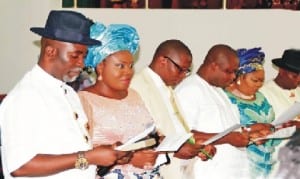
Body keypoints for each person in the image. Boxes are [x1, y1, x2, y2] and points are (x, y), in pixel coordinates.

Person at [0, 10, 128, 179]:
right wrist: (89, 157)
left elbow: (70, 154)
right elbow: (20, 166)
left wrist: (107, 156)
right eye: (75, 55)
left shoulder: (68, 93)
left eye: (84, 55)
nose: (82, 63)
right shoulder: (26, 97)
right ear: (50, 52)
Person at [174, 44, 273, 178]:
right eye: (229, 71)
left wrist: (250, 132)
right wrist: (230, 138)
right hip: (207, 173)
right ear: (214, 66)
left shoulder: (220, 91)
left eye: (235, 72)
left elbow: (229, 130)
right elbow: (182, 136)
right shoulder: (190, 89)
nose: (233, 77)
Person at [78, 22, 161, 179]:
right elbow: (81, 154)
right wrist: (129, 159)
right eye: (120, 66)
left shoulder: (134, 95)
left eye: (130, 66)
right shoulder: (84, 101)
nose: (128, 72)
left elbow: (150, 135)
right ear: (101, 67)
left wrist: (156, 148)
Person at [130, 39, 216, 178]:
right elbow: (138, 136)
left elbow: (177, 129)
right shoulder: (137, 86)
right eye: (180, 69)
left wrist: (194, 145)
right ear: (163, 60)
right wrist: (174, 149)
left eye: (186, 71)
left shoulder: (168, 88)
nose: (183, 76)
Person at [224, 47, 279, 178]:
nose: (259, 85)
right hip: (241, 165)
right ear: (239, 77)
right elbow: (222, 131)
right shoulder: (225, 99)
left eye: (262, 80)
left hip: (267, 161)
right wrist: (252, 130)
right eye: (255, 80)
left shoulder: (261, 97)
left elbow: (271, 122)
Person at [259, 49, 300, 179]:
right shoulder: (263, 93)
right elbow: (260, 130)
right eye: (294, 76)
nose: (298, 80)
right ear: (282, 72)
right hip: (278, 163)